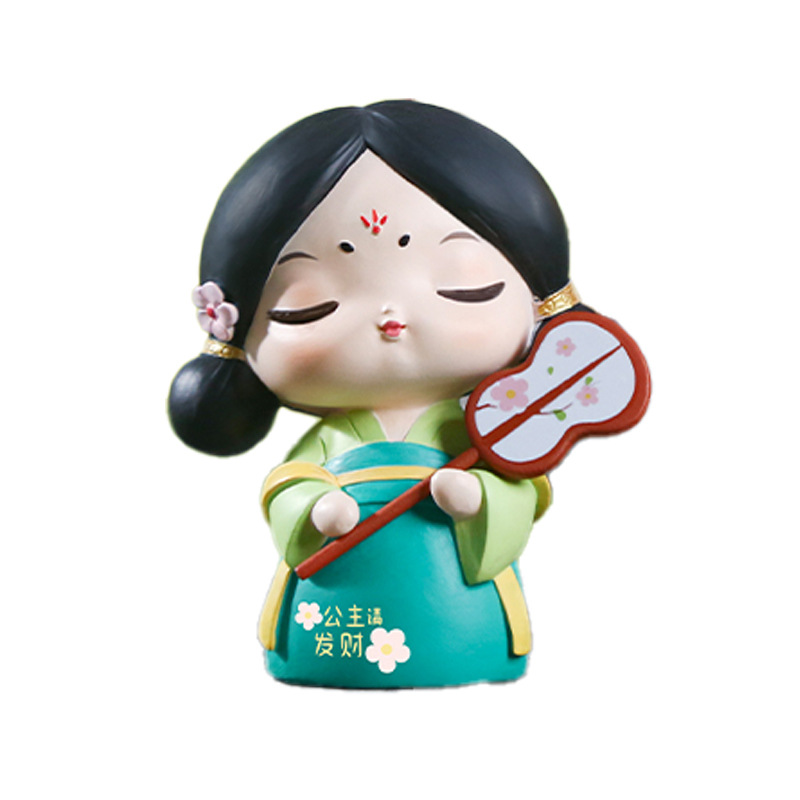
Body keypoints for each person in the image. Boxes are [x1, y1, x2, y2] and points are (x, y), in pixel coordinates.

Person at [169, 100, 586, 687]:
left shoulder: (488, 426)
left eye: (462, 286)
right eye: (310, 304)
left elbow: (522, 489)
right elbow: (287, 486)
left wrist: (480, 496)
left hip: (460, 619)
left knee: (460, 639)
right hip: (335, 611)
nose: (391, 317)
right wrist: (314, 507)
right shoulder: (332, 439)